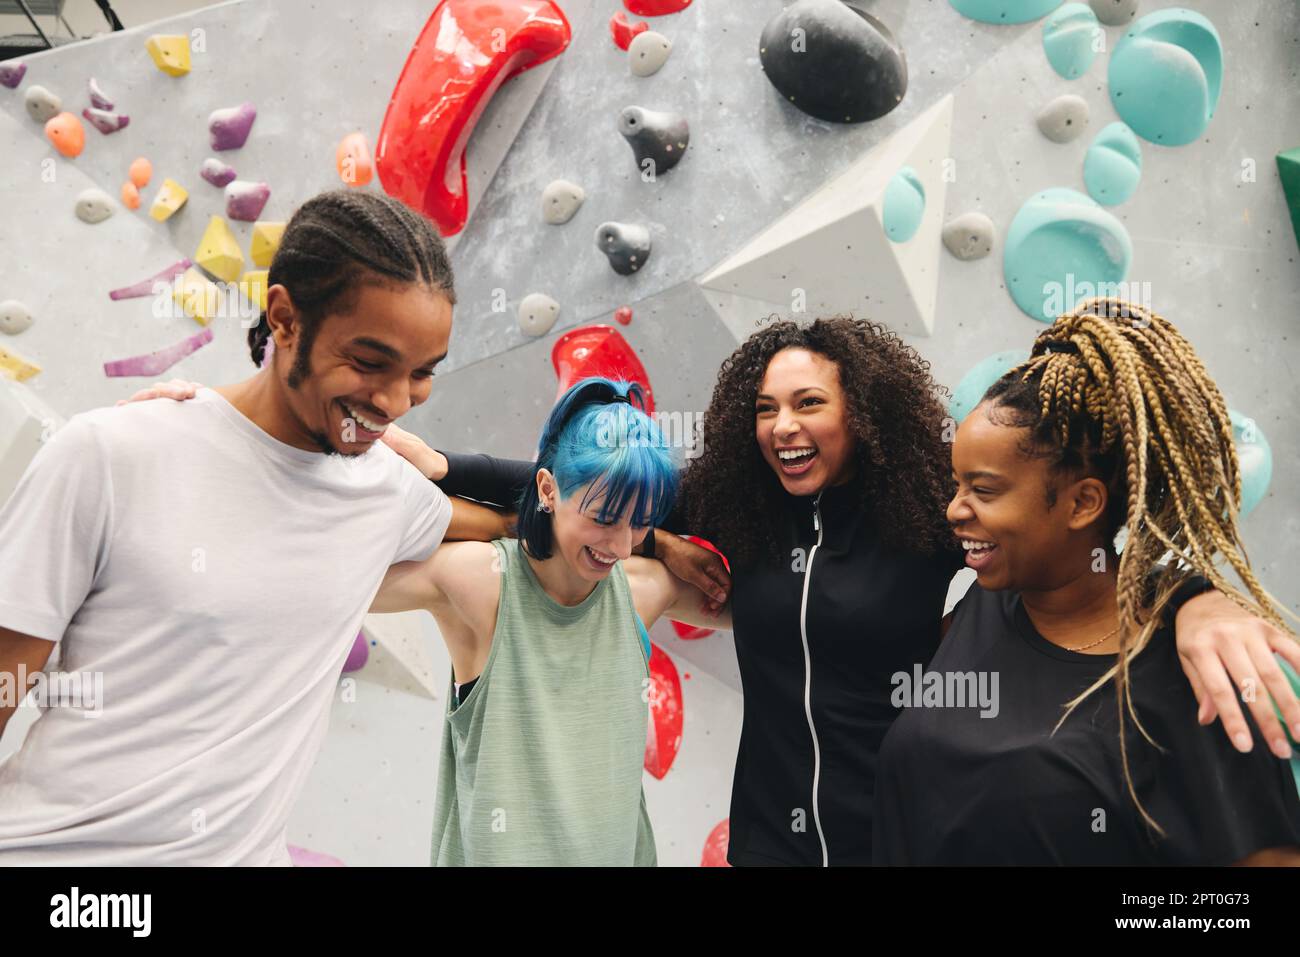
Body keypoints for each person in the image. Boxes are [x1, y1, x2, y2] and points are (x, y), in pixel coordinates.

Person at [416, 316, 1300, 865]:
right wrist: (449, 466)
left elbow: (1082, 556)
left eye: (808, 403)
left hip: (888, 831)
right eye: (765, 407)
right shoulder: (739, 498)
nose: (783, 426)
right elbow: (586, 492)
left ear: (861, 414)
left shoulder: (930, 516)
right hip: (770, 834)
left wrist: (1196, 598)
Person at [0, 190, 506, 865]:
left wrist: (666, 541)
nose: (392, 401)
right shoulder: (109, 454)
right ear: (284, 318)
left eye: (419, 374)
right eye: (368, 362)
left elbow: (545, 517)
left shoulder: (385, 493)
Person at [873, 299, 1300, 865]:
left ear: (1083, 503)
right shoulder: (984, 606)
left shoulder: (1195, 677)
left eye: (984, 489)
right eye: (957, 485)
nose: (954, 510)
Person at [375, 377, 718, 865]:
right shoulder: (483, 582)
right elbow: (344, 562)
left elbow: (791, 606)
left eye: (640, 523)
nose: (620, 547)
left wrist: (663, 543)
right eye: (602, 518)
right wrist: (497, 522)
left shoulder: (642, 589)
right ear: (547, 489)